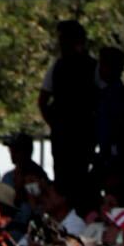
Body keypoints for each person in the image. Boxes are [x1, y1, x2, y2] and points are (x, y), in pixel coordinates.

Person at [40, 19, 100, 191]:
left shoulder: (94, 68)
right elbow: (42, 100)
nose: (61, 45)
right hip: (63, 136)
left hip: (83, 136)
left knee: (80, 180)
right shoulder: (57, 67)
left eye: (64, 40)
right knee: (62, 181)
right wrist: (55, 124)